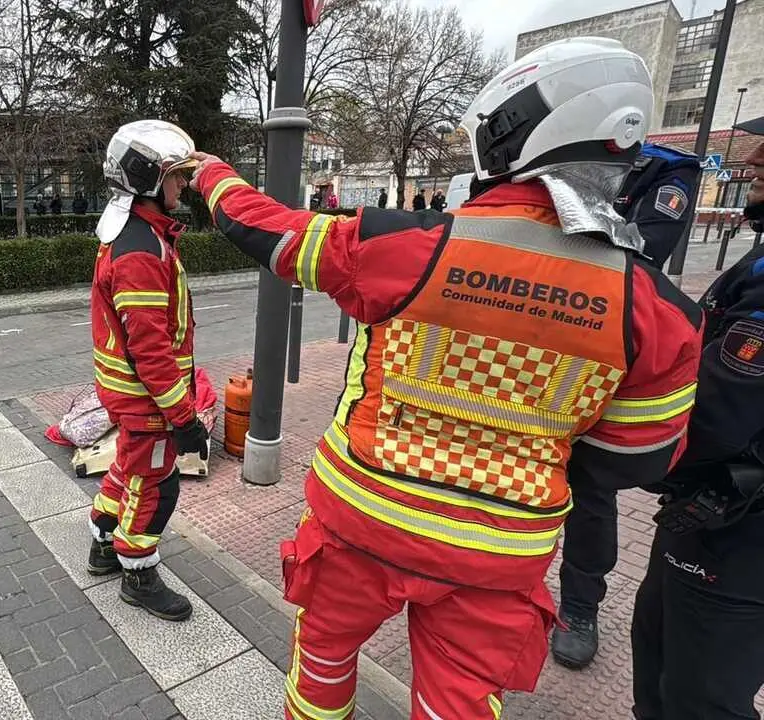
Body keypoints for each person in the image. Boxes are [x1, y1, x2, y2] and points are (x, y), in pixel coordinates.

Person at [190, 36, 701, 718]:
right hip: (498, 555)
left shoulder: (406, 245)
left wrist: (210, 175)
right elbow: (638, 458)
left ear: (514, 130)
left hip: (359, 524)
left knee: (321, 669)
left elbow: (272, 233)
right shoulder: (660, 310)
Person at [630, 113, 764, 720]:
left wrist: (625, 447)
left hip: (736, 531)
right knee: (659, 654)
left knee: (698, 696)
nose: (755, 158)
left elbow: (716, 416)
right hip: (711, 517)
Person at [551, 140, 702, 670]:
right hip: (543, 337)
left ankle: (579, 606)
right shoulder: (555, 154)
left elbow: (645, 251)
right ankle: (493, 584)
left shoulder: (665, 170)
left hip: (604, 333)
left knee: (590, 489)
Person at [87, 119, 210, 622]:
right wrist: (184, 418)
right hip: (148, 397)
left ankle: (102, 543)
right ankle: (138, 572)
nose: (184, 186)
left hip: (132, 394)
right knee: (157, 484)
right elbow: (152, 350)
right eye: (177, 177)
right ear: (148, 180)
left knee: (128, 466)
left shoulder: (136, 233)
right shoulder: (141, 249)